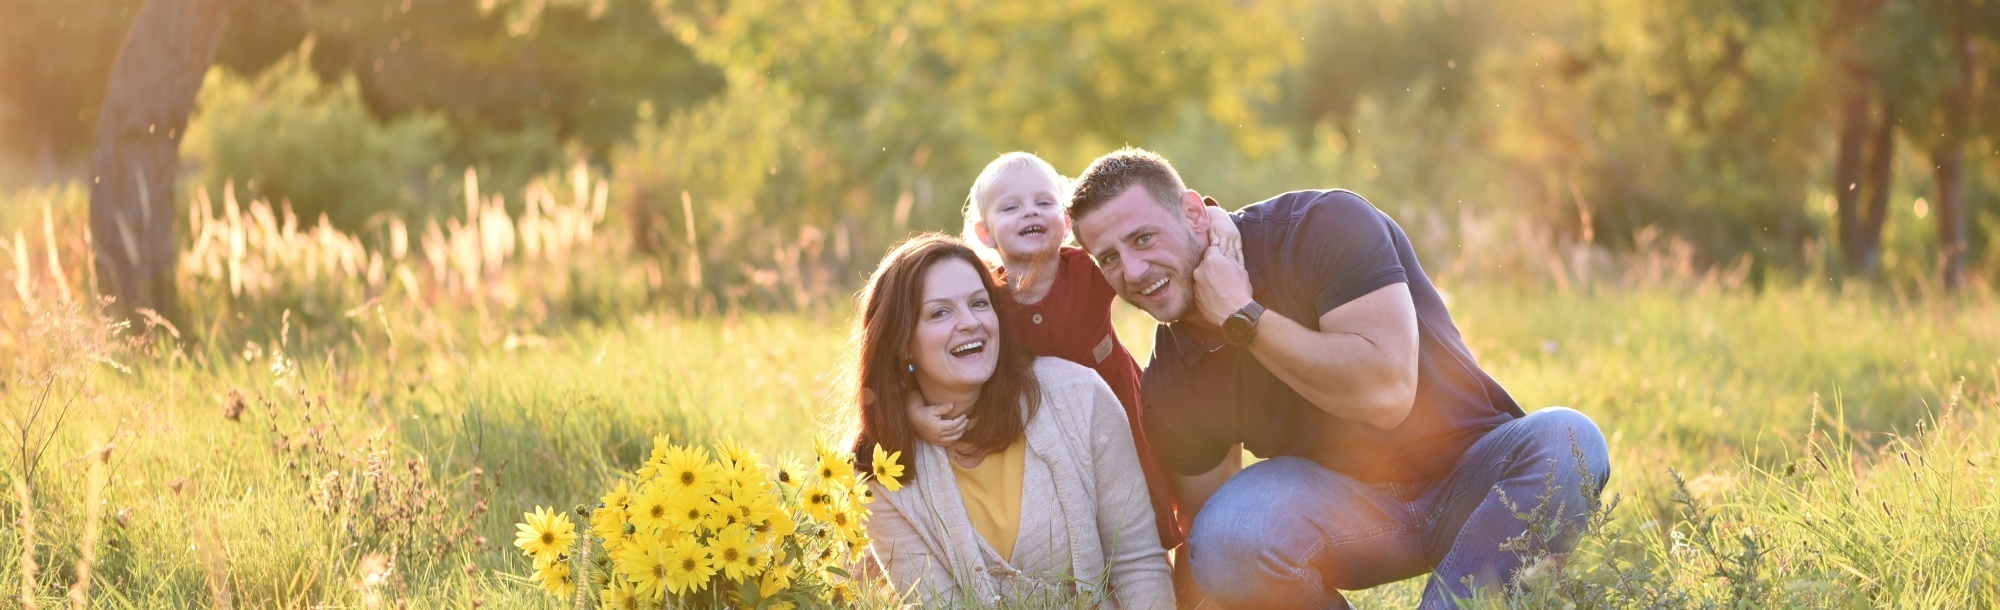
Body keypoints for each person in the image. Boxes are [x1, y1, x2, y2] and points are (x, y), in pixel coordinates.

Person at [1066, 148, 1612, 609]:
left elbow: (1386, 394)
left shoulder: (1321, 227)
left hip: (1475, 479)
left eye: (1143, 239)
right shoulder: (1171, 384)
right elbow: (1205, 550)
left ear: (1192, 213)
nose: (1132, 272)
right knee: (1226, 538)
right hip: (1355, 519)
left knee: (1570, 441)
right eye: (1108, 258)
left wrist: (1244, 317)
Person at [852, 233, 1175, 609]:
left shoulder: (1078, 396)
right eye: (940, 312)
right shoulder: (883, 477)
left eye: (979, 303)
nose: (970, 322)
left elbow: (1138, 564)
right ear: (901, 342)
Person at [954, 152, 1241, 557]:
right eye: (1011, 207)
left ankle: (1160, 577)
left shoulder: (1088, 270)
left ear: (1067, 223)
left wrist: (1218, 218)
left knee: (1141, 507)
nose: (1029, 213)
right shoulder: (987, 297)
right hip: (1039, 427)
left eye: (1044, 202)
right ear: (985, 233)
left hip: (1120, 414)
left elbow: (1182, 223)